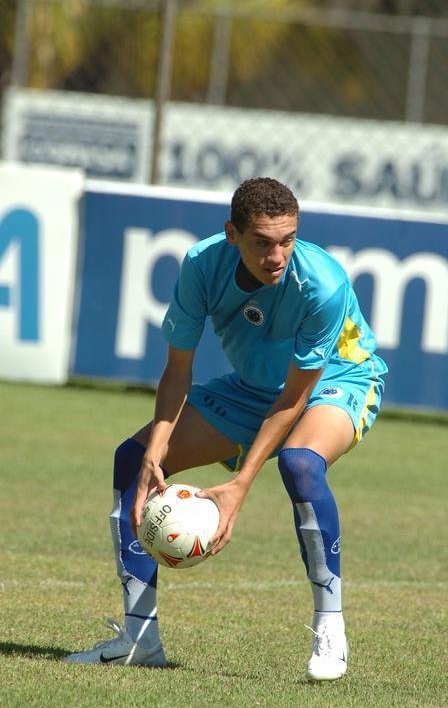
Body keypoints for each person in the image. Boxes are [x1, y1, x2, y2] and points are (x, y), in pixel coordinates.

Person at [65, 177, 387, 681]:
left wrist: (241, 484)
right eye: (262, 242)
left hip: (338, 378)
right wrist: (156, 449)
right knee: (132, 459)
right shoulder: (201, 265)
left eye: (288, 240)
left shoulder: (323, 284)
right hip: (252, 388)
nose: (277, 256)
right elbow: (178, 369)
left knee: (300, 463)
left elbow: (294, 398)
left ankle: (331, 627)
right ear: (232, 234)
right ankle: (139, 639)